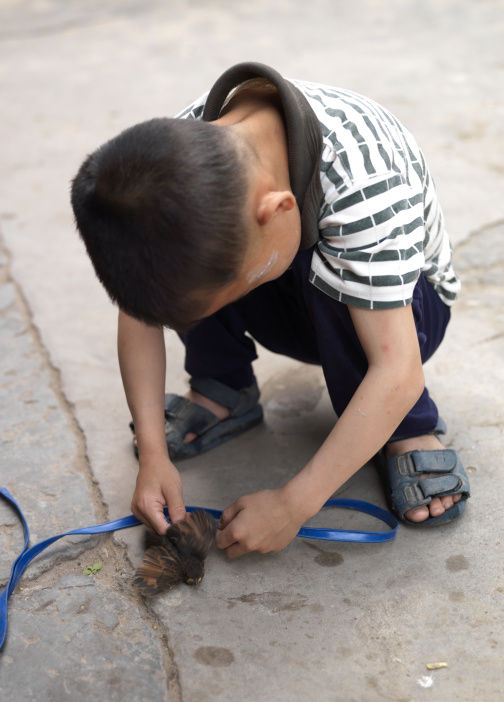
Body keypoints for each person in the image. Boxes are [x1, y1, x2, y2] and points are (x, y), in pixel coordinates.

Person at [71, 62, 470, 558]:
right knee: (189, 276)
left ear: (278, 209)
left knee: (330, 275)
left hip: (403, 316)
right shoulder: (177, 160)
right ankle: (224, 388)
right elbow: (141, 310)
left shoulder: (365, 182)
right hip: (290, 285)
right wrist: (152, 455)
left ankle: (407, 429)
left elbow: (399, 369)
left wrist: (293, 504)